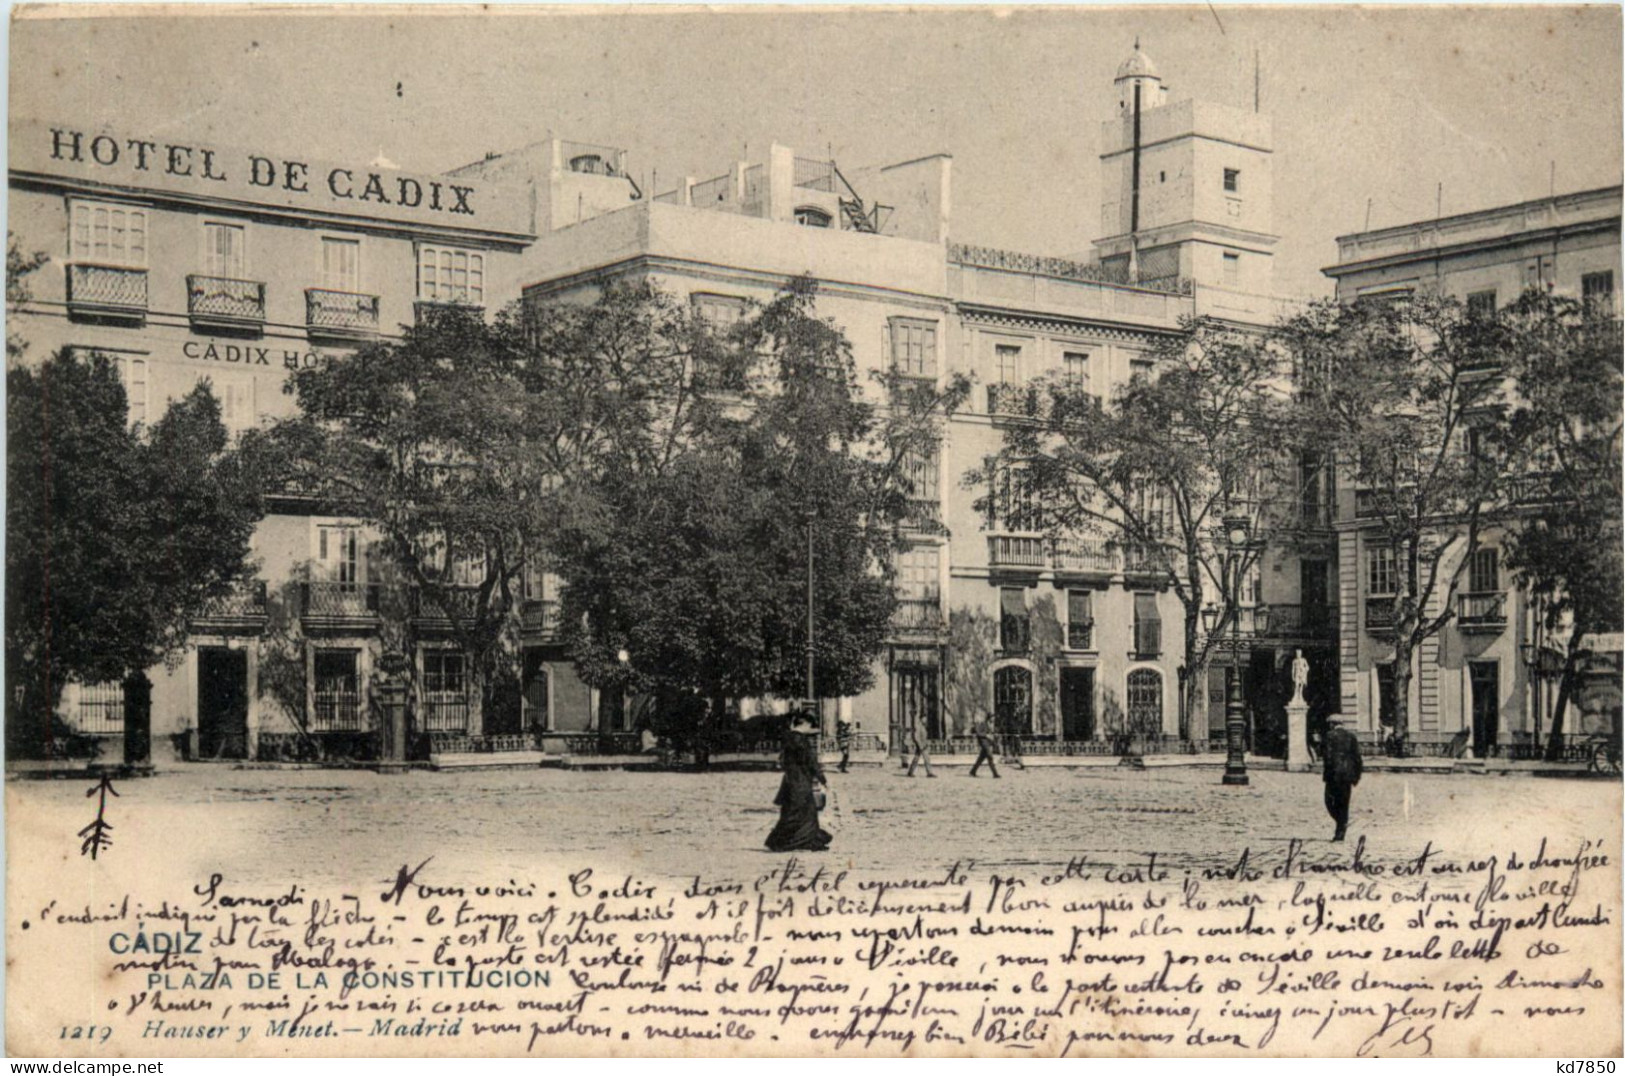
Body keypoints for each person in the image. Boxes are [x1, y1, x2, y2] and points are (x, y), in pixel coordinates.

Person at [766, 711, 831, 852]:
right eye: (809, 725)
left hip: (790, 780)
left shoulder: (787, 738)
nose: (810, 729)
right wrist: (822, 778)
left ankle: (805, 840)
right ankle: (789, 842)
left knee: (796, 811)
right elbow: (810, 761)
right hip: (801, 781)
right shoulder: (800, 740)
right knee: (801, 813)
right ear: (805, 724)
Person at [1321, 716, 1363, 842]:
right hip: (1347, 776)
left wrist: (1327, 772)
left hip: (1333, 775)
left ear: (1332, 724)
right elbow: (1357, 758)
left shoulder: (1329, 736)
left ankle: (1340, 826)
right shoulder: (1351, 736)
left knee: (1329, 802)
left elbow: (1326, 756)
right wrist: (1356, 776)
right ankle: (1341, 827)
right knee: (1344, 803)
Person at [968, 713, 1001, 778]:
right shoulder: (983, 724)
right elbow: (978, 733)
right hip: (983, 743)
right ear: (989, 718)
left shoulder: (990, 725)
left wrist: (994, 738)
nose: (994, 719)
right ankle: (995, 774)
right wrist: (986, 735)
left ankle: (973, 771)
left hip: (987, 743)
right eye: (992, 718)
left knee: (981, 758)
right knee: (990, 756)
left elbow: (990, 735)